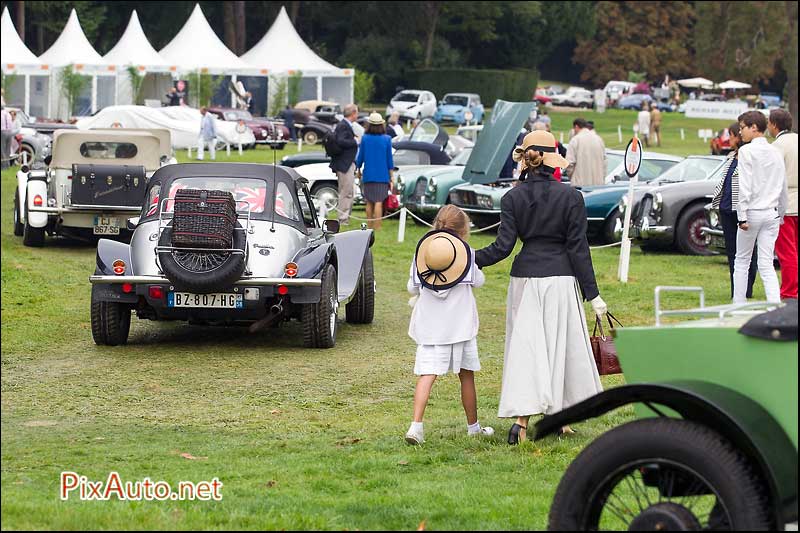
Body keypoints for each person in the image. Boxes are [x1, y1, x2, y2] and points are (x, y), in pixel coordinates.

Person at [475, 130, 606, 444]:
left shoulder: (512, 198)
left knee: (527, 349)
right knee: (560, 346)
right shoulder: (572, 197)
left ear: (527, 160)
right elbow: (578, 249)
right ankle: (559, 419)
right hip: (561, 280)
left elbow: (503, 247)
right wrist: (594, 294)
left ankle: (522, 422)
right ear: (552, 161)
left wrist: (468, 258)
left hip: (525, 279)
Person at [405, 205, 494, 445]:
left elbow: (412, 287)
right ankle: (473, 427)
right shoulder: (467, 256)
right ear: (463, 229)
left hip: (430, 328)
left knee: (427, 375)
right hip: (460, 327)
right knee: (466, 376)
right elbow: (479, 281)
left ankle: (416, 427)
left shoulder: (424, 254)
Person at [733, 111, 789, 304]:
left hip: (752, 212)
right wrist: (780, 214)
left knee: (742, 261)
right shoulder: (776, 151)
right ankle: (774, 305)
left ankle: (738, 304)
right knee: (766, 263)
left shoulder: (746, 151)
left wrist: (741, 216)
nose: (740, 132)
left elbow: (745, 186)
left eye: (742, 128)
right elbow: (783, 187)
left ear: (754, 127)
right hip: (772, 213)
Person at [711, 123, 758, 299]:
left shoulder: (750, 156)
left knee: (748, 252)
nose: (729, 140)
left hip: (743, 210)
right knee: (732, 251)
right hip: (726, 209)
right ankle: (735, 289)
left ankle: (747, 288)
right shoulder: (731, 156)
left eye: (731, 136)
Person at [768, 109, 798, 300]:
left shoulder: (778, 145)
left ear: (774, 124)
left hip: (788, 205)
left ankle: (789, 291)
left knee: (787, 253)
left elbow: (773, 177)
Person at [355, 113, 394, 230]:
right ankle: (377, 227)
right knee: (379, 201)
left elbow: (360, 157)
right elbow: (389, 160)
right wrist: (391, 176)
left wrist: (358, 170)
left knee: (369, 201)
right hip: (382, 175)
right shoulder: (387, 139)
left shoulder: (365, 139)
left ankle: (369, 226)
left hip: (368, 174)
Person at [330, 104, 360, 225]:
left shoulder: (345, 125)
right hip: (344, 164)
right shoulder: (343, 125)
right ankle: (343, 218)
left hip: (347, 163)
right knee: (345, 191)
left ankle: (346, 216)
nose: (357, 115)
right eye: (356, 112)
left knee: (348, 191)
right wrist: (355, 141)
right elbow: (341, 141)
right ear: (353, 113)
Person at [565, 118, 606, 186]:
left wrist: (572, 178)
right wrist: (602, 178)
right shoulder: (599, 139)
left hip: (579, 184)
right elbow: (604, 162)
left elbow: (569, 163)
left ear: (576, 127)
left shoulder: (575, 140)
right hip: (598, 185)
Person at [1, 105, 13, 170]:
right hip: (9, 132)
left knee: (2, 150)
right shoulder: (7, 113)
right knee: (7, 150)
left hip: (2, 132)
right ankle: (7, 165)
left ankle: (3, 167)